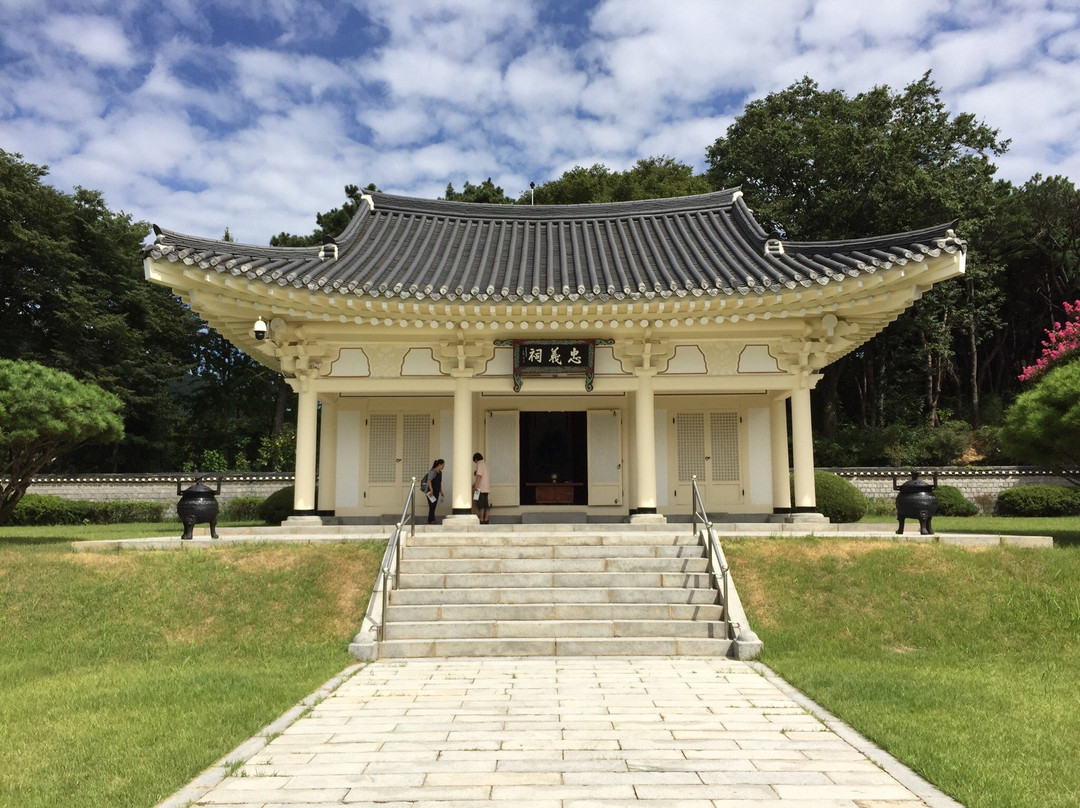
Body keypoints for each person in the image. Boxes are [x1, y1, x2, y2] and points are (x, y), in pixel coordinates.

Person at [420, 459, 444, 524]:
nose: (443, 466)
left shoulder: (440, 473)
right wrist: (431, 490)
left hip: (436, 490)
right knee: (431, 505)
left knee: (434, 505)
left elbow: (439, 483)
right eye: (443, 465)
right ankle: (430, 519)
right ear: (439, 464)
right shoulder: (432, 471)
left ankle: (431, 519)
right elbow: (429, 481)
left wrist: (441, 491)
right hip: (430, 491)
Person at [472, 452, 491, 524]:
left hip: (480, 488)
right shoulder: (485, 464)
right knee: (486, 505)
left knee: (480, 505)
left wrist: (476, 485)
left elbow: (479, 475)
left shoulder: (479, 464)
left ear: (476, 459)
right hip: (486, 488)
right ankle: (486, 519)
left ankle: (481, 519)